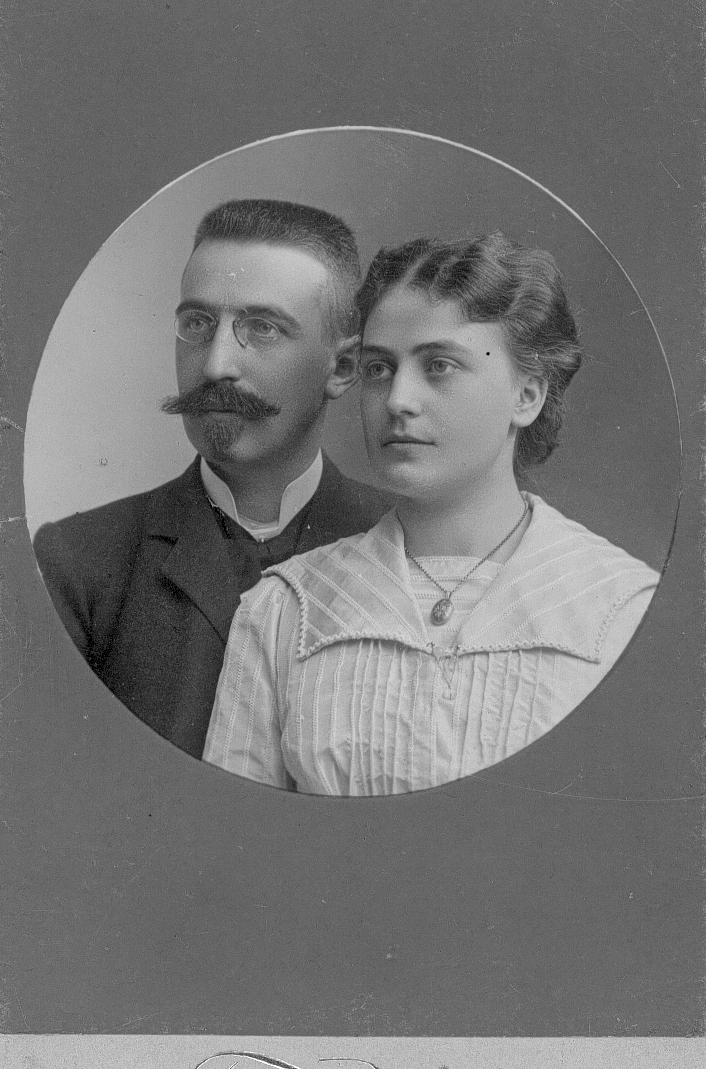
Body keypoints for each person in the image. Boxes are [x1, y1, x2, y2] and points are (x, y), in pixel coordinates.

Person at [204, 231, 660, 795]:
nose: (398, 400)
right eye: (379, 369)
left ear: (527, 396)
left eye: (439, 366)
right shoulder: (284, 611)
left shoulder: (622, 610)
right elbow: (234, 832)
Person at [33, 199, 390, 758]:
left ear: (342, 368)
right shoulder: (79, 562)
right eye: (198, 323)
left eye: (263, 328)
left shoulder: (409, 545)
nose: (216, 364)